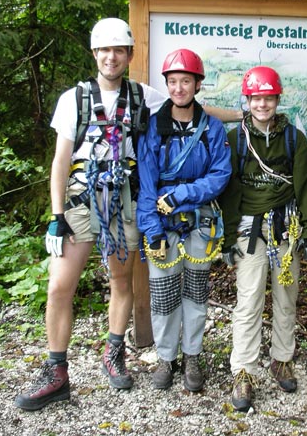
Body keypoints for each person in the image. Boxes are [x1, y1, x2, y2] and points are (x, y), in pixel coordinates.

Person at [14, 18, 168, 411]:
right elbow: (60, 161)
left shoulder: (142, 96)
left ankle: (113, 351)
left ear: (130, 55)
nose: (111, 57)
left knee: (121, 280)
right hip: (82, 198)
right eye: (104, 50)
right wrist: (56, 214)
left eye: (118, 50)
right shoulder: (74, 99)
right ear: (95, 54)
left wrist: (241, 113)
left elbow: (189, 108)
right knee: (59, 286)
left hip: (123, 198)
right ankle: (56, 372)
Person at [218, 66, 307, 412]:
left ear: (278, 99)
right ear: (247, 101)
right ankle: (243, 371)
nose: (263, 104)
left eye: (269, 98)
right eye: (257, 98)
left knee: (286, 295)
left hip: (285, 226)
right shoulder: (235, 140)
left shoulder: (294, 139)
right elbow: (230, 191)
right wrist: (228, 237)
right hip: (249, 229)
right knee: (248, 301)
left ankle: (281, 358)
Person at [136, 48, 231, 391]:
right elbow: (146, 183)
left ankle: (192, 355)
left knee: (195, 293)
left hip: (199, 221)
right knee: (162, 294)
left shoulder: (212, 129)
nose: (178, 88)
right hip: (162, 223)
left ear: (197, 85)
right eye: (173, 81)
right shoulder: (153, 130)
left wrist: (182, 195)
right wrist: (151, 228)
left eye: (185, 81)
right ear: (167, 85)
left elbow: (220, 175)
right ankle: (166, 357)